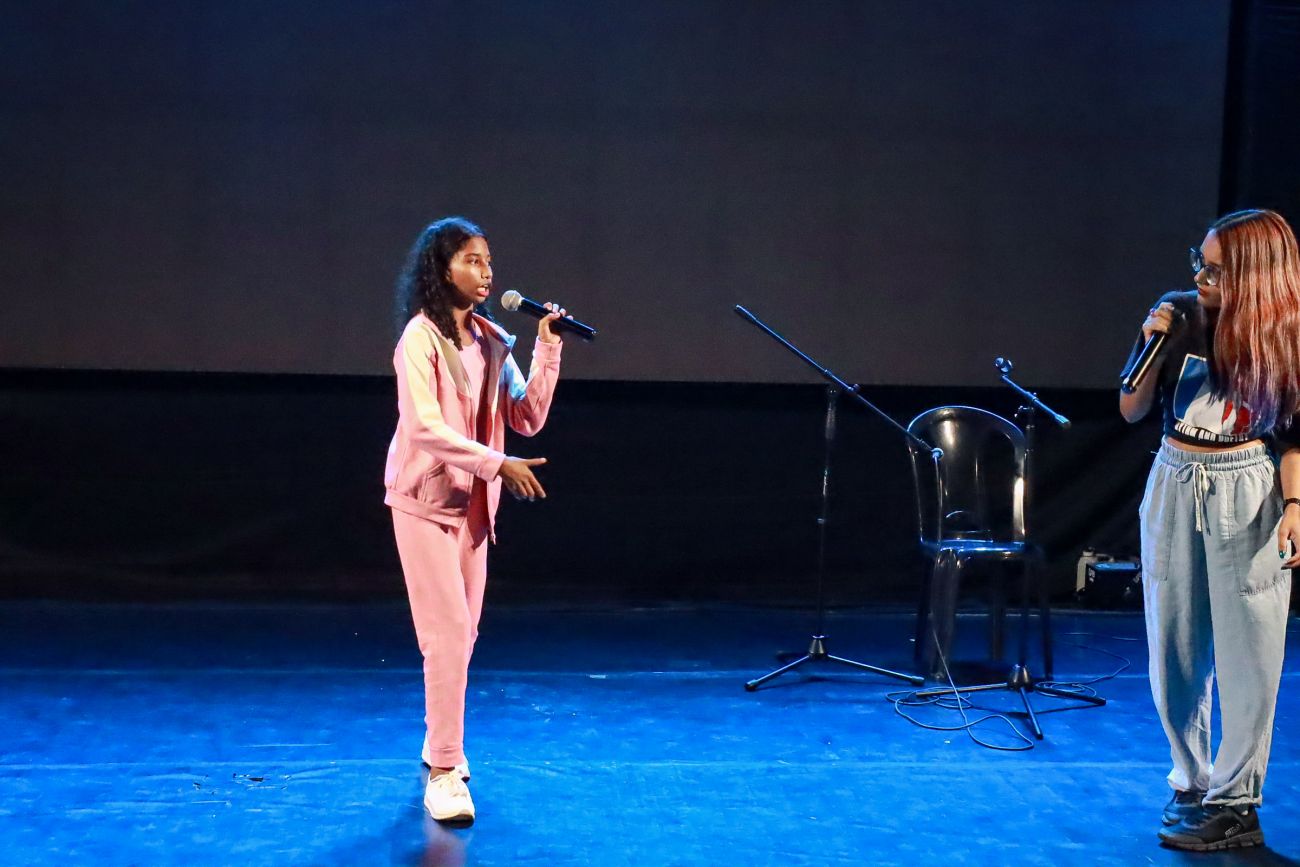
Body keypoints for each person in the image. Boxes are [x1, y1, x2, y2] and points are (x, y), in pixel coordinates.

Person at [1120, 208, 1300, 851]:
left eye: (1217, 270)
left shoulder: (1286, 335)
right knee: (1174, 642)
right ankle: (1192, 782)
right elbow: (1131, 408)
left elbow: (1294, 439)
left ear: (1254, 275)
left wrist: (1296, 506)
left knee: (1250, 647)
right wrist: (1150, 344)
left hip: (1246, 485)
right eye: (1200, 262)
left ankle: (1237, 802)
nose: (1201, 276)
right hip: (1174, 476)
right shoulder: (1178, 313)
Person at [385, 217, 566, 823]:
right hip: (424, 504)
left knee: (463, 637)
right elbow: (423, 428)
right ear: (441, 270)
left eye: (488, 261)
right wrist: (496, 464)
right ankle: (444, 771)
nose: (486, 272)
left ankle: (440, 739)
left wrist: (546, 346)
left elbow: (527, 417)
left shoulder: (492, 340)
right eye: (471, 260)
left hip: (473, 508)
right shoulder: (419, 339)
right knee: (446, 634)